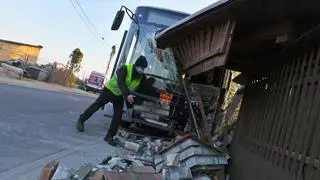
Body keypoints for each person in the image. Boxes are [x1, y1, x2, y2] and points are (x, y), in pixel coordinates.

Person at [76, 56, 148, 146]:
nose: (142, 70)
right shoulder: (125, 68)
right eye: (141, 67)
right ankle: (81, 119)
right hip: (109, 91)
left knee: (118, 116)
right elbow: (121, 82)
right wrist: (127, 95)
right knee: (96, 105)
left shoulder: (140, 77)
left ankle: (109, 136)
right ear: (137, 65)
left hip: (119, 96)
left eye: (144, 68)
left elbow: (143, 89)